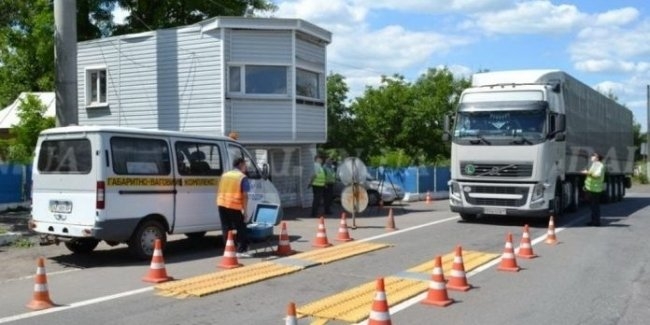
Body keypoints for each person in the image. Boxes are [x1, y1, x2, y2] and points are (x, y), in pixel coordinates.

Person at [216, 157, 251, 257]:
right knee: (241, 227)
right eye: (245, 165)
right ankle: (241, 250)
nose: (246, 167)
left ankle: (229, 250)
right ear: (240, 164)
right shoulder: (242, 177)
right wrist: (245, 211)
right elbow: (245, 196)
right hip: (233, 204)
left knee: (226, 227)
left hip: (221, 203)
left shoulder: (225, 175)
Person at [582, 152, 606, 227]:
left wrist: (587, 173)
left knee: (595, 206)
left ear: (597, 158)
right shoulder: (595, 164)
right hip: (592, 188)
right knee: (592, 206)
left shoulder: (600, 165)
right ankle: (593, 221)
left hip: (595, 189)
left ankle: (596, 222)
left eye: (593, 156)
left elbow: (597, 175)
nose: (592, 157)